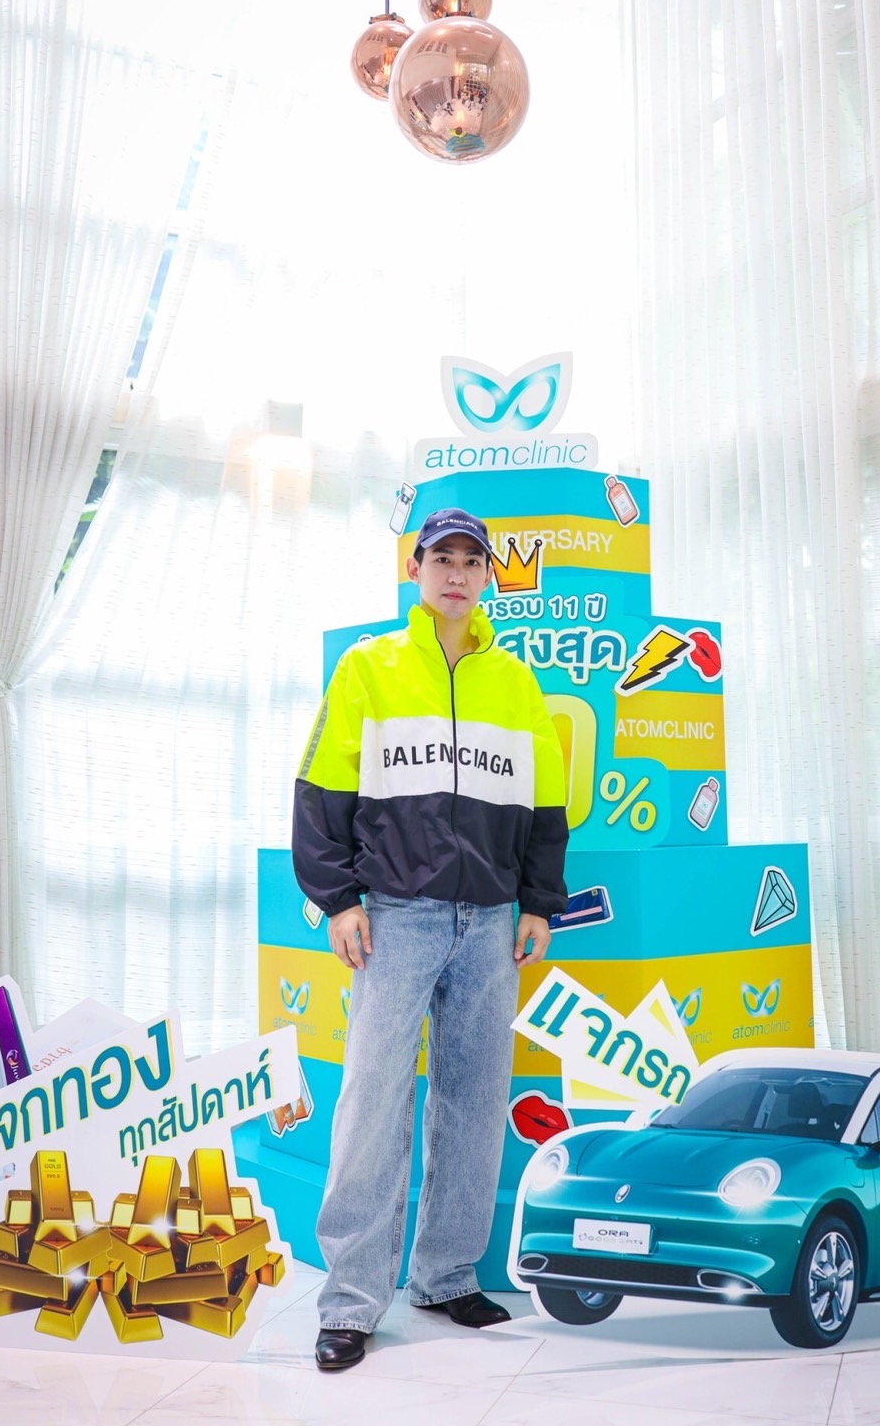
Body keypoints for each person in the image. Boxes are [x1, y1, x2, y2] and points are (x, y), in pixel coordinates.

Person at [292, 507, 569, 1372]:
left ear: (488, 576)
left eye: (471, 561)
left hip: (490, 924)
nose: (456, 573)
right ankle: (350, 1301)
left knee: (475, 1101)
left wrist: (537, 903)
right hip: (395, 918)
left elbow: (546, 805)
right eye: (441, 558)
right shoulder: (368, 668)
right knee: (372, 1105)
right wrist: (338, 900)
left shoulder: (515, 683)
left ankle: (446, 1276)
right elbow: (320, 788)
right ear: (415, 569)